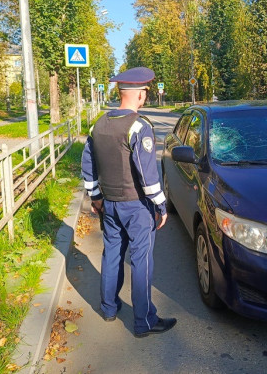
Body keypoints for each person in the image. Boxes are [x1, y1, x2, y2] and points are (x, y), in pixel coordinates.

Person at [81, 66, 176, 338]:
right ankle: (144, 321)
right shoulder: (139, 126)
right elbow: (147, 174)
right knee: (141, 260)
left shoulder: (99, 124)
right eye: (145, 92)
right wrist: (160, 205)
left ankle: (109, 308)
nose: (145, 96)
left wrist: (95, 196)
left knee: (111, 254)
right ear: (139, 94)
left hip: (110, 203)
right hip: (136, 207)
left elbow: (88, 162)